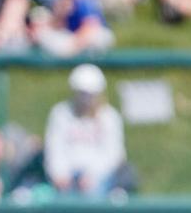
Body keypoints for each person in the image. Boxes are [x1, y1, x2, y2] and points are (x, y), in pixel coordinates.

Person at [44, 63, 137, 197]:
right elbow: (54, 149)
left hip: (102, 181)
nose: (86, 99)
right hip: (67, 182)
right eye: (82, 94)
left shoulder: (110, 117)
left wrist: (93, 175)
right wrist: (60, 175)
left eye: (90, 94)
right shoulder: (60, 114)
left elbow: (114, 155)